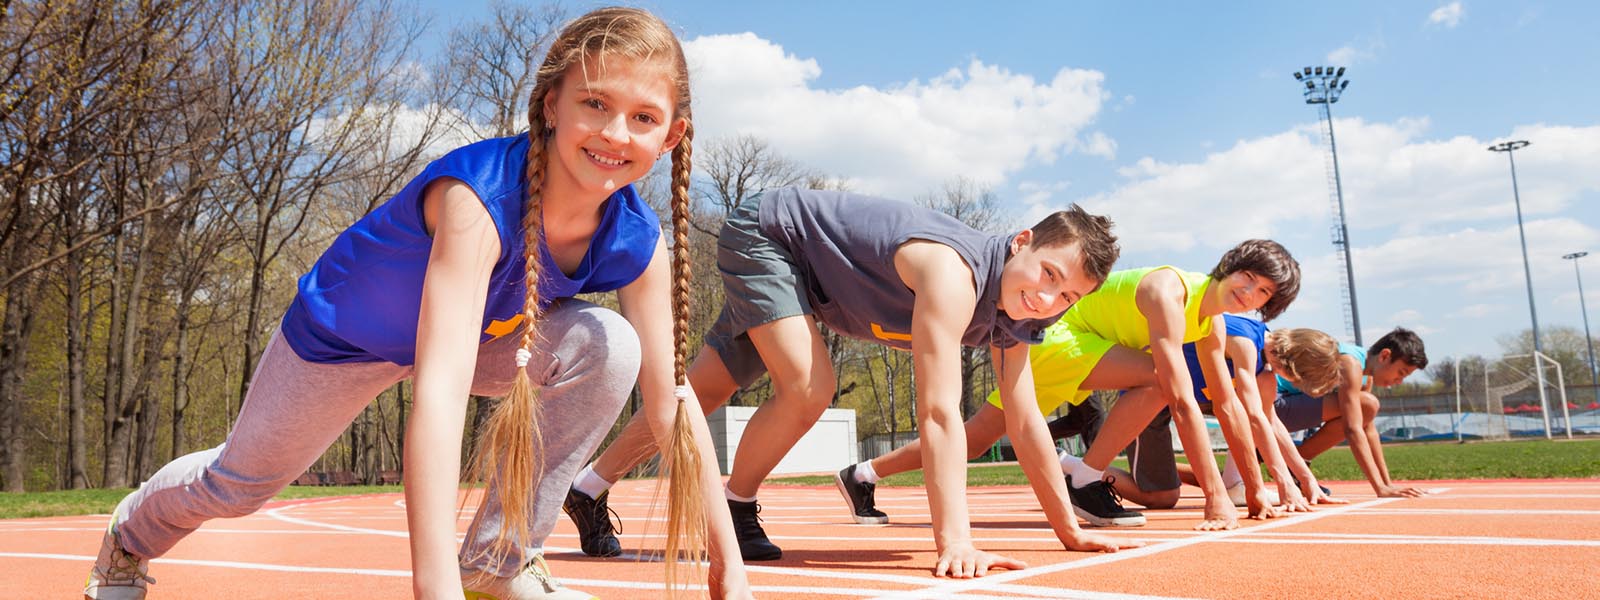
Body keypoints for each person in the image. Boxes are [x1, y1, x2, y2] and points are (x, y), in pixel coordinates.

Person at [84, 8, 752, 600]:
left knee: (610, 347)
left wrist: (730, 570)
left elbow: (671, 402)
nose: (614, 132)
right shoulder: (478, 201)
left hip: (491, 343)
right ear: (551, 105)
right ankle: (129, 533)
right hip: (344, 340)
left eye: (643, 118)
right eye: (595, 104)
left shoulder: (638, 239)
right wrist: (432, 590)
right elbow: (440, 391)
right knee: (239, 485)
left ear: (671, 137)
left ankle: (498, 558)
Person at [562, 186, 1136, 577]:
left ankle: (586, 487)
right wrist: (955, 541)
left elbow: (1025, 416)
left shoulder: (1022, 318)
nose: (1047, 298)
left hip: (812, 282)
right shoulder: (953, 275)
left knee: (702, 391)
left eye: (1068, 296)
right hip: (773, 237)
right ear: (1021, 243)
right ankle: (736, 504)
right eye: (1048, 274)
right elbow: (939, 414)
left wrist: (1068, 528)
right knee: (809, 388)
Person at [846, 241, 1300, 533]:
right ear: (1229, 266)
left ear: (1268, 305)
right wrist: (1217, 499)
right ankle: (1083, 476)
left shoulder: (1212, 324)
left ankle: (862, 474)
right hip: (1062, 335)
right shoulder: (1170, 292)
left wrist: (1258, 489)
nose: (1249, 292)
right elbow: (1182, 401)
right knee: (1161, 382)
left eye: (1262, 293)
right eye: (1247, 277)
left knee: (974, 437)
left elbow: (1228, 405)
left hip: (1084, 348)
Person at [1089, 318, 1346, 512]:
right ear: (1293, 363)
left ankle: (1235, 485)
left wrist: (1305, 480)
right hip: (1147, 396)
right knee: (1160, 498)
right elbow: (1254, 418)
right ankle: (1071, 469)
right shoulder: (1245, 341)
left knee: (1165, 497)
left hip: (1182, 401)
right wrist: (1284, 483)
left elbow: (1270, 422)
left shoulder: (1266, 370)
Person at [1274, 327, 1430, 498]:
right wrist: (1380, 488)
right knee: (1368, 404)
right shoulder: (1350, 363)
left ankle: (1296, 464)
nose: (1399, 382)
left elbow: (1368, 429)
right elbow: (1352, 429)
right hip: (1271, 405)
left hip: (1286, 405)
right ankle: (1296, 462)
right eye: (1401, 373)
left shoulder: (1365, 375)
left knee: (1366, 407)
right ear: (1384, 356)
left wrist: (1387, 483)